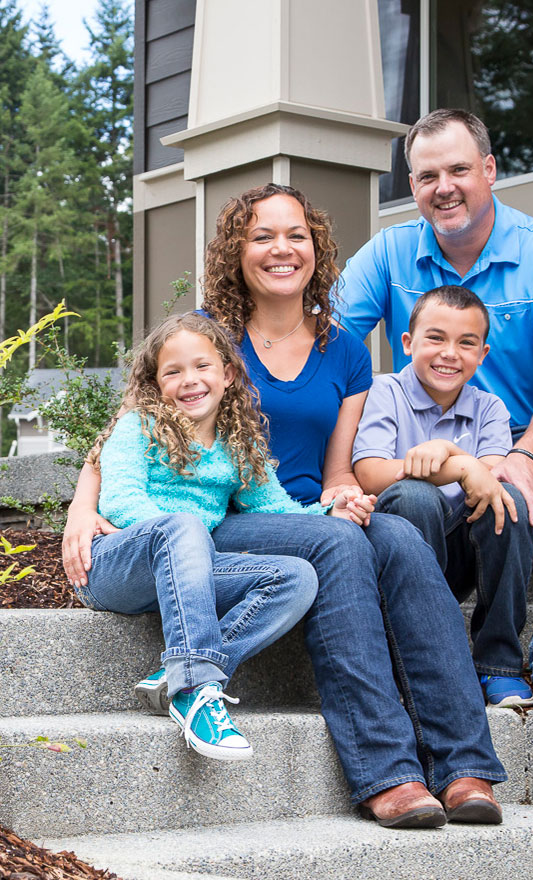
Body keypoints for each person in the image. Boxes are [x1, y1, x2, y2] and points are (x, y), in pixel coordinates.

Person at [62, 184, 507, 828]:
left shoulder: (346, 351)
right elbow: (129, 429)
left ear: (316, 247)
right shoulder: (208, 340)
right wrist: (83, 508)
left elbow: (334, 471)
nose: (281, 249)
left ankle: (465, 765)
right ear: (235, 253)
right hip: (230, 513)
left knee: (401, 541)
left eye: (295, 234)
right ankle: (387, 768)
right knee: (341, 544)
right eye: (261, 236)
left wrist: (345, 500)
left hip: (302, 512)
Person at [338, 108, 533, 714]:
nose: (443, 187)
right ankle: (428, 652)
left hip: (532, 441)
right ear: (414, 187)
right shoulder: (389, 254)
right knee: (417, 499)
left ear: (490, 169)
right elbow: (322, 347)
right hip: (428, 448)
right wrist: (338, 474)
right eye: (426, 176)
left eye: (457, 169)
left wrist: (523, 456)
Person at [76, 312, 374, 760]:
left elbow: (276, 510)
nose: (189, 380)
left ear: (228, 374)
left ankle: (181, 670)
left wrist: (330, 510)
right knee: (184, 526)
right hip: (117, 564)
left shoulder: (239, 443)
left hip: (187, 570)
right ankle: (195, 691)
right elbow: (121, 500)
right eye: (172, 372)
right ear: (156, 384)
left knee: (296, 577)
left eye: (202, 366)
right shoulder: (137, 426)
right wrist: (186, 540)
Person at [352, 285, 533, 709]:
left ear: (483, 354)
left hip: (458, 551)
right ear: (408, 343)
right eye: (435, 338)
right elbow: (368, 473)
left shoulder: (490, 407)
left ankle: (498, 664)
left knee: (508, 500)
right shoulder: (385, 391)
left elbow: (491, 477)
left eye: (466, 343)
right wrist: (459, 464)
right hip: (398, 554)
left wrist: (452, 453)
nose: (449, 353)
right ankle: (420, 664)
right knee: (414, 495)